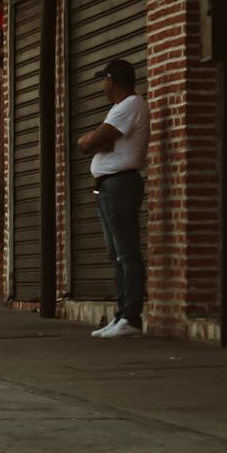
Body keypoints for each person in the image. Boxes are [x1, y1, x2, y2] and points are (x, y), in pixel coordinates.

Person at [79, 57, 149, 339]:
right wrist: (97, 140)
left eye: (104, 79)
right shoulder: (119, 109)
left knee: (127, 252)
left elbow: (93, 141)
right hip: (109, 187)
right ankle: (121, 314)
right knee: (116, 254)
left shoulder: (130, 105)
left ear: (111, 80)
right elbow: (102, 140)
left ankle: (131, 317)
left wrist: (90, 141)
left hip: (121, 186)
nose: (102, 85)